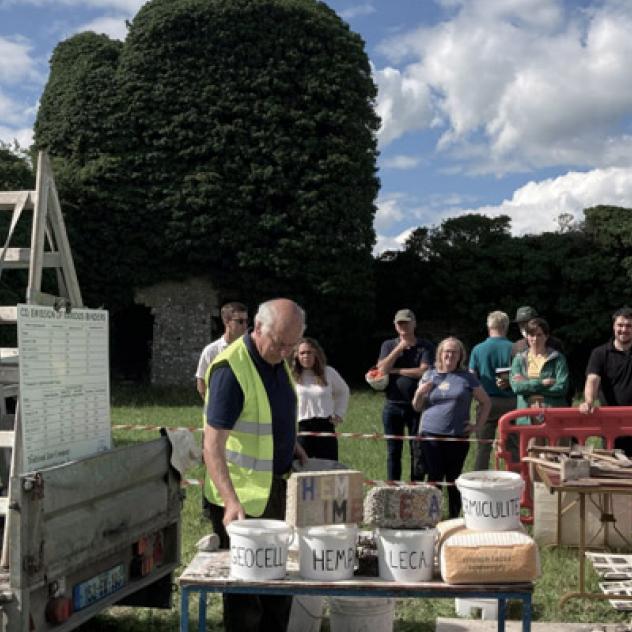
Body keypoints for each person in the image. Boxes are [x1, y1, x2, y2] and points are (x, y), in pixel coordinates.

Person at [203, 298, 308, 632]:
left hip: (274, 490)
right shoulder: (230, 370)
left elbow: (270, 414)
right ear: (257, 328)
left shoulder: (277, 360)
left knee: (279, 588)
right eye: (280, 343)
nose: (286, 351)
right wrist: (230, 500)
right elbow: (212, 444)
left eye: (293, 345)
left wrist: (291, 444)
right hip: (242, 502)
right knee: (247, 600)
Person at [412, 337, 490, 518]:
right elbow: (416, 406)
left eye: (454, 352)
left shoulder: (467, 377)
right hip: (430, 436)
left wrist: (478, 426)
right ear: (440, 353)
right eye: (447, 351)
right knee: (434, 478)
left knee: (454, 478)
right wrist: (418, 393)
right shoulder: (429, 375)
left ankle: (454, 518)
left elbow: (485, 402)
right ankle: (432, 517)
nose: (450, 355)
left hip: (457, 437)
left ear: (460, 356)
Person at [376, 308, 435, 481]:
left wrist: (396, 370)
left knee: (417, 449)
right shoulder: (388, 345)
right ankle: (392, 485)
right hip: (392, 405)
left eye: (407, 322)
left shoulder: (425, 346)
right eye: (400, 323)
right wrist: (399, 348)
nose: (403, 326)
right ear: (395, 326)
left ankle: (415, 487)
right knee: (393, 450)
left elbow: (423, 371)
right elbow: (381, 370)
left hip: (417, 405)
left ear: (414, 324)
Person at [580, 306, 632, 456]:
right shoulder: (600, 353)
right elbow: (592, 379)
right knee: (613, 467)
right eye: (620, 325)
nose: (624, 329)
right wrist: (588, 401)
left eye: (629, 326)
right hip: (611, 421)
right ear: (613, 326)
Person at [469, 310, 516, 470]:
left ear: (489, 326)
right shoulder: (515, 348)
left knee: (483, 448)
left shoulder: (478, 349)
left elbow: (471, 378)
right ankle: (516, 480)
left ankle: (480, 483)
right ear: (506, 327)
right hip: (512, 403)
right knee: (513, 446)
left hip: (486, 401)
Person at [292, 338, 350, 461]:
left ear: (316, 354)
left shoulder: (328, 372)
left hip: (325, 426)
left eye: (309, 352)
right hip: (303, 428)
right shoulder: (292, 376)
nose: (306, 356)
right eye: (302, 353)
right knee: (302, 469)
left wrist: (339, 414)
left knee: (328, 469)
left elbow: (343, 391)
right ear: (297, 356)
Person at [510, 317, 569, 425]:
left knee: (555, 442)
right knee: (532, 442)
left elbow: (562, 387)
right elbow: (517, 387)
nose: (535, 339)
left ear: (546, 336)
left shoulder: (558, 358)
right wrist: (542, 383)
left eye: (539, 335)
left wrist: (528, 383)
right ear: (527, 336)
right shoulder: (519, 360)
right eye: (532, 335)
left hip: (553, 413)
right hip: (527, 416)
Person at [195, 301, 248, 399]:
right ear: (226, 321)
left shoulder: (250, 349)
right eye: (240, 321)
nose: (245, 326)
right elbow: (201, 382)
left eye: (246, 321)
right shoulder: (211, 351)